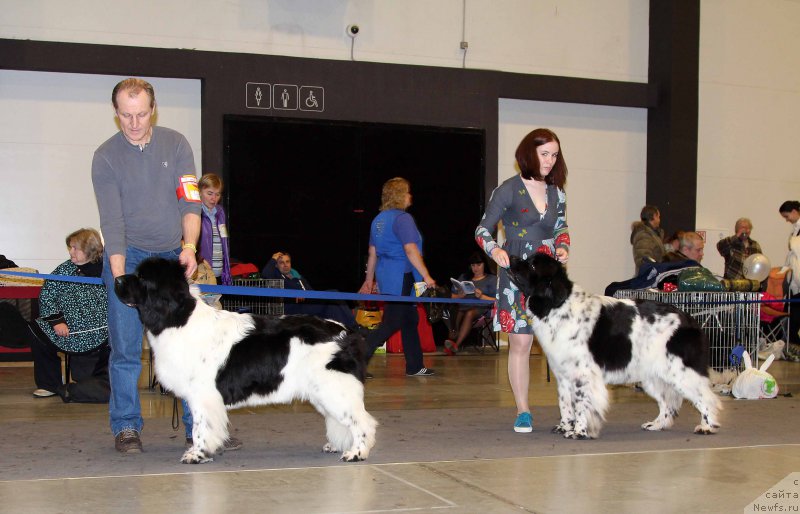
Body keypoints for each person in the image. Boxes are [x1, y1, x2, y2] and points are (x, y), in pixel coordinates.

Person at [92, 78, 241, 454]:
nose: (134, 123)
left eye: (141, 114)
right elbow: (112, 222)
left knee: (190, 349)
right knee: (126, 349)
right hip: (128, 257)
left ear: (153, 110)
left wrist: (189, 247)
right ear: (116, 113)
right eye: (126, 115)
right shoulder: (105, 157)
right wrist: (121, 276)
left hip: (171, 258)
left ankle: (200, 428)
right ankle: (126, 426)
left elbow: (189, 203)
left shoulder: (176, 145)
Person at [475, 128, 570, 433]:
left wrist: (563, 245)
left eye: (554, 155)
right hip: (517, 272)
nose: (550, 160)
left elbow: (561, 227)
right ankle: (523, 410)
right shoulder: (508, 189)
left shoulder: (557, 192)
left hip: (549, 274)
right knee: (521, 341)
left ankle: (570, 407)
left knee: (560, 342)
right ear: (529, 153)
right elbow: (482, 230)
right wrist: (495, 250)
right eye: (544, 154)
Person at [359, 177, 436, 377]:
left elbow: (372, 253)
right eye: (408, 192)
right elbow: (411, 250)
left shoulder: (378, 220)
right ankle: (356, 362)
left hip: (386, 275)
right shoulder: (403, 219)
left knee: (410, 318)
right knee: (392, 322)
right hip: (402, 274)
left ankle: (415, 365)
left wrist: (369, 280)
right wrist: (426, 276)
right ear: (400, 195)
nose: (410, 196)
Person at [30, 228, 108, 398]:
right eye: (70, 247)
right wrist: (56, 321)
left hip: (101, 330)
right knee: (37, 330)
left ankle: (99, 384)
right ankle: (49, 384)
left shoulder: (108, 269)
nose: (71, 252)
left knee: (117, 335)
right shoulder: (65, 268)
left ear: (90, 249)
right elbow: (47, 294)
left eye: (75, 248)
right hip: (66, 327)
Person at [261, 251, 356, 328]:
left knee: (332, 305)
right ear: (276, 265)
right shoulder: (277, 277)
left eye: (287, 261)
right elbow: (265, 275)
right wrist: (273, 259)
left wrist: (310, 296)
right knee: (333, 294)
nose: (285, 265)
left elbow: (311, 291)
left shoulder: (298, 277)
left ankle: (344, 330)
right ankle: (353, 326)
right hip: (293, 308)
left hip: (307, 304)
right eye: (281, 262)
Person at [443, 251, 497, 355]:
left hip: (482, 308)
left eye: (479, 265)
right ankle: (453, 335)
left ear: (484, 264)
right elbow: (451, 296)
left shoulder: (491, 279)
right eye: (473, 265)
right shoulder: (464, 277)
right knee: (454, 309)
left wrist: (482, 296)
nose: (476, 268)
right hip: (462, 307)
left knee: (469, 313)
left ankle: (456, 344)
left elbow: (497, 300)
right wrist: (459, 296)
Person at [197, 173, 232, 285]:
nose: (214, 198)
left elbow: (224, 244)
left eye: (217, 194)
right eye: (209, 193)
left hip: (219, 274)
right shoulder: (194, 214)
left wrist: (226, 272)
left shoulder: (220, 213)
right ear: (199, 192)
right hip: (201, 275)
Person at [779, 200, 800, 346]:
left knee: (795, 314)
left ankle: (793, 342)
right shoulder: (795, 229)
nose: (787, 220)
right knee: (792, 312)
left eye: (787, 216)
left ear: (794, 211)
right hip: (795, 279)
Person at [630, 205, 665, 274]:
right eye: (658, 217)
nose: (659, 220)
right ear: (654, 216)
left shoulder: (651, 234)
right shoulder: (644, 235)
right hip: (649, 277)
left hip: (652, 276)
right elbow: (644, 259)